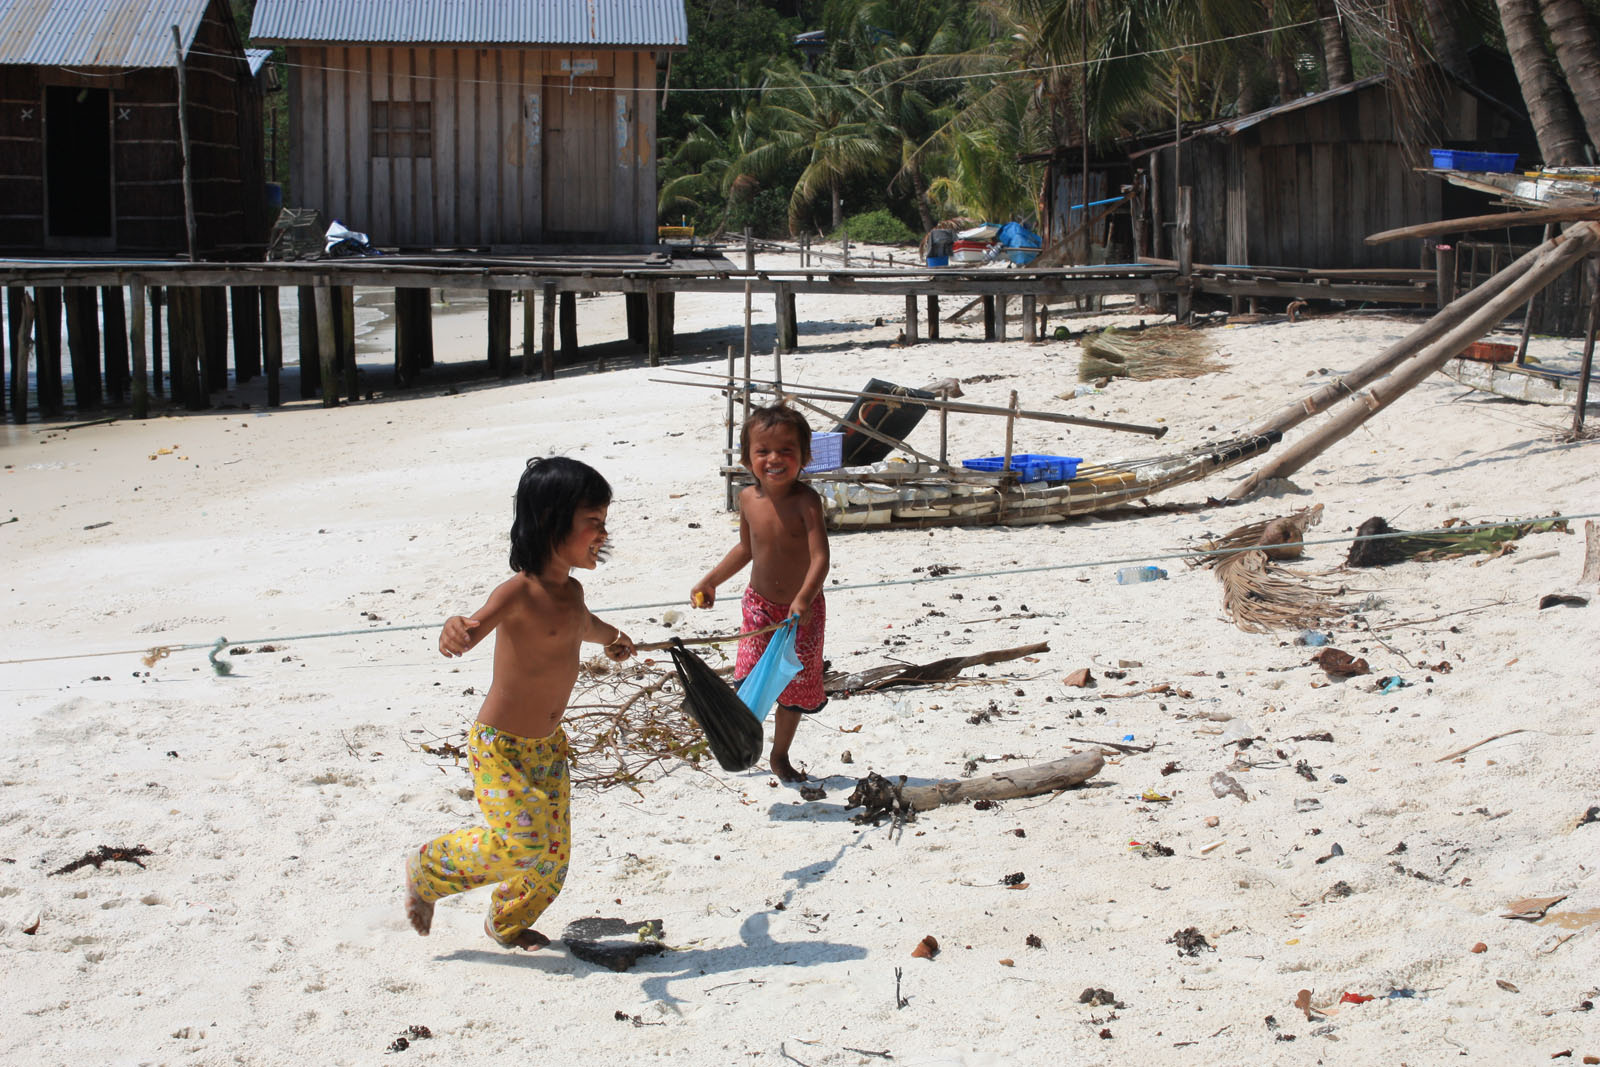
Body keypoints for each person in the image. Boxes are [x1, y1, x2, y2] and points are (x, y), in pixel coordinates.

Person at [405, 456, 635, 950]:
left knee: (553, 858)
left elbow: (586, 627)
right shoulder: (518, 592)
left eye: (603, 522)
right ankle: (429, 868)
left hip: (548, 748)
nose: (603, 533)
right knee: (523, 842)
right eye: (593, 522)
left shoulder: (572, 593)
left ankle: (505, 923)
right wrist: (453, 628)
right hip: (500, 748)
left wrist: (614, 638)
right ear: (553, 522)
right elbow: (470, 628)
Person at [691, 404, 831, 782]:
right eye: (763, 450)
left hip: (803, 613)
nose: (775, 459)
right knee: (749, 677)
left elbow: (821, 558)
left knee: (795, 687)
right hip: (759, 607)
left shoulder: (807, 502)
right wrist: (711, 580)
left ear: (805, 456)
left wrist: (803, 597)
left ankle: (780, 755)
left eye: (787, 450)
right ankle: (742, 742)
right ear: (746, 457)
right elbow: (745, 550)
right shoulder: (748, 499)